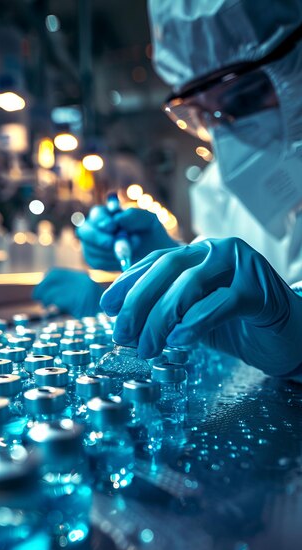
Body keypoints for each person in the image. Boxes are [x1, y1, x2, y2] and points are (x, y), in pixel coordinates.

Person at [34, 0, 302, 382]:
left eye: (244, 97)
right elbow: (222, 287)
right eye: (203, 114)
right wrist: (167, 263)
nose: (227, 135)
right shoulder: (218, 187)